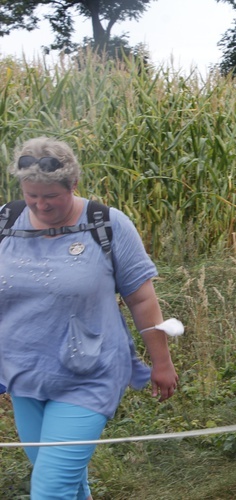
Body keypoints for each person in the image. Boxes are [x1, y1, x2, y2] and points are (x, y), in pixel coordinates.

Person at [0, 137, 179, 499]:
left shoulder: (106, 224)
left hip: (88, 376)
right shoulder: (6, 220)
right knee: (65, 481)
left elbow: (142, 299)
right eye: (31, 194)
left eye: (50, 195)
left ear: (73, 185)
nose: (40, 204)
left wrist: (161, 362)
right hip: (24, 375)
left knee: (50, 490)